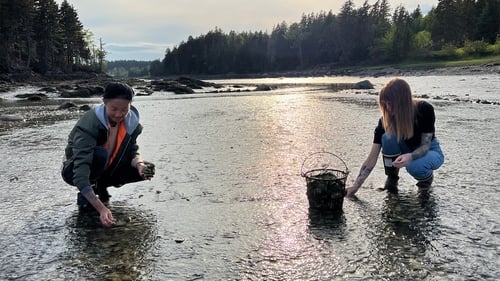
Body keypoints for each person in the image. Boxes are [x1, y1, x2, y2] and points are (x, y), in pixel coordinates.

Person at [61, 82, 155, 227]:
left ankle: (101, 186)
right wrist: (102, 209)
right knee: (100, 155)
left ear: (130, 105)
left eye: (124, 109)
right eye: (114, 109)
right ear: (105, 102)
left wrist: (140, 165)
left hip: (108, 169)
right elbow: (80, 172)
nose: (119, 114)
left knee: (147, 168)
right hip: (74, 170)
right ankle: (90, 192)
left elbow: (131, 151)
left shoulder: (131, 123)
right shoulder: (89, 125)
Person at [346, 78, 444, 197]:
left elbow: (425, 146)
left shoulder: (424, 109)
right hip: (406, 149)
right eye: (384, 103)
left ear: (403, 101)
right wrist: (355, 186)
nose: (388, 107)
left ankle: (425, 183)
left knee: (414, 165)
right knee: (387, 138)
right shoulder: (384, 122)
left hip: (430, 151)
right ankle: (392, 178)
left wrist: (410, 156)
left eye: (391, 103)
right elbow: (372, 158)